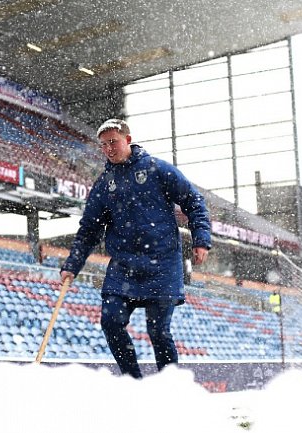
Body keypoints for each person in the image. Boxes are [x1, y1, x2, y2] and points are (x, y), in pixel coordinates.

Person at [61, 119, 212, 379]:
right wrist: (71, 266)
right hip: (124, 267)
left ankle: (171, 386)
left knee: (159, 331)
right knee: (110, 322)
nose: (109, 148)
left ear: (127, 140)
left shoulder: (158, 169)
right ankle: (133, 381)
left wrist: (201, 239)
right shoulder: (103, 185)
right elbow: (88, 230)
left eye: (113, 142)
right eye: (103, 145)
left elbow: (194, 201)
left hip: (162, 264)